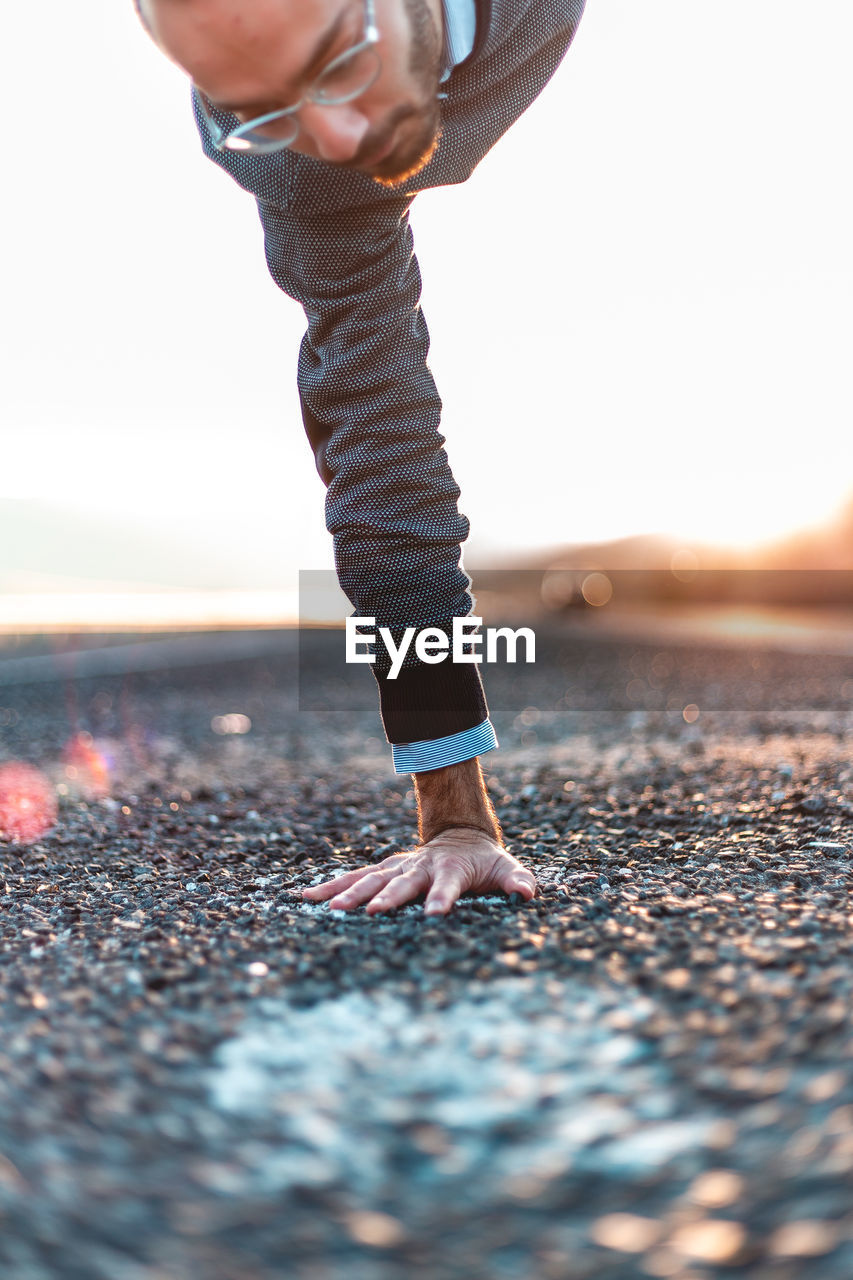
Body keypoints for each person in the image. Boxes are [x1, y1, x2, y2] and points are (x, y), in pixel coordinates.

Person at [135, 0, 586, 915]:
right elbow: (380, 443)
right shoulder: (301, 169)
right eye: (258, 105)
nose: (335, 136)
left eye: (338, 61)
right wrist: (453, 816)